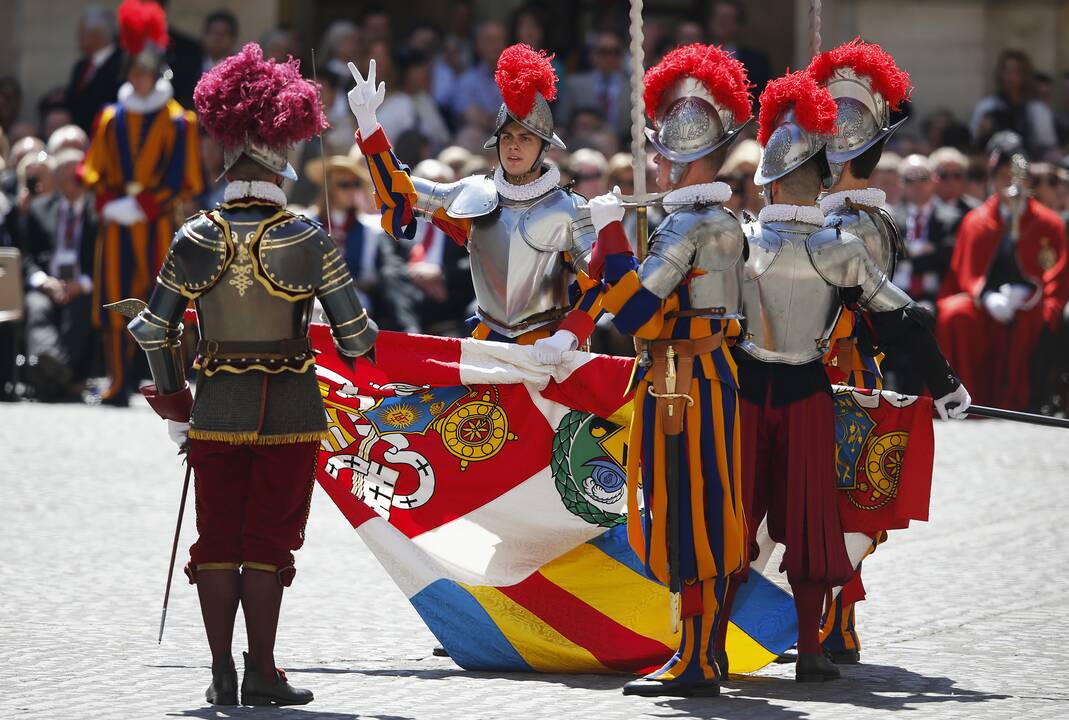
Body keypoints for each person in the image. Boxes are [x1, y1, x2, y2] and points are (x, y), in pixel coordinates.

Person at [127, 43, 377, 707]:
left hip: (215, 407)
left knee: (216, 538)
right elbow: (356, 340)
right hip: (291, 407)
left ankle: (219, 672)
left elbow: (150, 329)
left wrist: (177, 404)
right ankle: (263, 669)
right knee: (268, 539)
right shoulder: (307, 238)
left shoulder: (194, 235)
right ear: (280, 153)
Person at [728, 70, 970, 684]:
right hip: (813, 375)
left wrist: (938, 380)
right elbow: (902, 314)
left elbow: (887, 318)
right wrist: (942, 381)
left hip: (826, 372)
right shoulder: (837, 232)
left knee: (821, 512)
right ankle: (792, 634)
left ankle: (809, 631)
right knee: (806, 514)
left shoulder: (785, 233)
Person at [585, 43, 753, 698]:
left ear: (682, 154)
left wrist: (608, 239)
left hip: (683, 385)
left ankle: (695, 658)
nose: (654, 160)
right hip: (700, 376)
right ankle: (700, 652)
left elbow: (632, 314)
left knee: (690, 517)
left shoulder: (684, 225)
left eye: (661, 151)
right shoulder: (718, 217)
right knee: (699, 515)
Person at [351, 44, 601, 357]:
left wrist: (567, 337)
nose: (513, 146)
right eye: (507, 137)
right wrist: (369, 124)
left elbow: (599, 285)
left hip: (548, 348)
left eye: (525, 138)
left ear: (544, 147)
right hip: (487, 344)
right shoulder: (472, 194)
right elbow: (400, 191)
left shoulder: (570, 208)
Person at [82, 0, 202, 406]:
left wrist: (147, 207)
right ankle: (117, 382)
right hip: (117, 222)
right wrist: (110, 204)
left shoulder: (178, 120)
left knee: (160, 305)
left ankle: (164, 386)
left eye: (146, 71)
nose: (140, 77)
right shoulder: (109, 118)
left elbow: (185, 179)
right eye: (135, 70)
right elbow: (93, 170)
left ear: (157, 73)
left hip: (159, 222)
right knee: (116, 297)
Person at [937, 131, 1069, 411]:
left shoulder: (1048, 223)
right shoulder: (976, 220)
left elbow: (1054, 274)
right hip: (985, 302)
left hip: (1029, 301)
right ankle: (963, 400)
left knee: (1038, 317)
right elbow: (965, 271)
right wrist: (986, 297)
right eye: (1003, 175)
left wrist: (1028, 293)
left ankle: (1025, 400)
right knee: (954, 313)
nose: (1010, 182)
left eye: (1016, 175)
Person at [304, 153, 419, 333]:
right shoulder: (306, 224)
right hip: (311, 299)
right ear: (329, 189)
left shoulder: (370, 230)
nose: (351, 190)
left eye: (355, 184)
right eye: (344, 185)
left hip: (356, 299)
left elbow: (373, 278)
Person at [19, 148, 97, 401]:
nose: (77, 177)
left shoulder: (97, 212)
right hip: (47, 283)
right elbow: (26, 256)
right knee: (36, 306)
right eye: (69, 172)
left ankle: (51, 375)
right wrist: (44, 282)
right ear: (57, 177)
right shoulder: (39, 209)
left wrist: (80, 284)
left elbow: (103, 260)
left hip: (82, 285)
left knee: (82, 308)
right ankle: (58, 372)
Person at [406, 158, 476, 337]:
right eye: (427, 185)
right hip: (411, 288)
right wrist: (415, 274)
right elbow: (390, 264)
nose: (433, 192)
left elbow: (475, 261)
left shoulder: (465, 222)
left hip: (450, 290)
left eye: (441, 185)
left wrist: (441, 273)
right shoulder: (400, 221)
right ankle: (408, 336)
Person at [970, 50, 1058, 157]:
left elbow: (1047, 147)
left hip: (1028, 166)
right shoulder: (987, 106)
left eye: (1016, 72)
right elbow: (975, 141)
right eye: (1007, 71)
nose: (1011, 77)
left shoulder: (1037, 110)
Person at [557, 32, 632, 140]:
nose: (610, 57)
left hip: (623, 148)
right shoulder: (574, 85)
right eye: (604, 52)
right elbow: (562, 123)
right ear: (592, 55)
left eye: (616, 52)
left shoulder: (634, 88)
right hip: (581, 148)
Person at [377, 48, 451, 153]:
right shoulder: (394, 102)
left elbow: (443, 137)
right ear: (404, 72)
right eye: (418, 67)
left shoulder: (423, 98)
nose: (425, 72)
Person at [65, 6, 122, 134]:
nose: (77, 36)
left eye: (82, 31)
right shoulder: (81, 66)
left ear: (97, 34)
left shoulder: (122, 65)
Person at [707, 0, 770, 97]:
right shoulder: (700, 57)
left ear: (738, 25)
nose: (721, 23)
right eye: (718, 17)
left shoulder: (757, 61)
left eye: (727, 19)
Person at [451, 21, 508, 129]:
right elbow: (469, 115)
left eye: (498, 40)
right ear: (478, 45)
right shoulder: (466, 80)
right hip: (479, 137)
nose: (494, 46)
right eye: (489, 40)